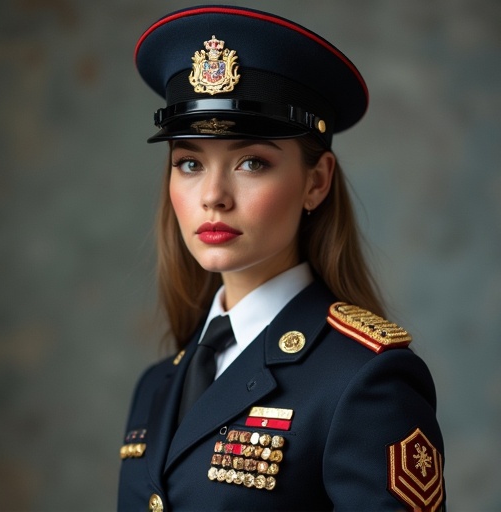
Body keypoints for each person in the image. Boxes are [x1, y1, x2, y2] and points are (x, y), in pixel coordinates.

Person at [118, 5, 445, 512]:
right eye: (189, 163)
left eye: (252, 162)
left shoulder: (364, 379)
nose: (213, 196)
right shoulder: (157, 386)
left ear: (317, 182)